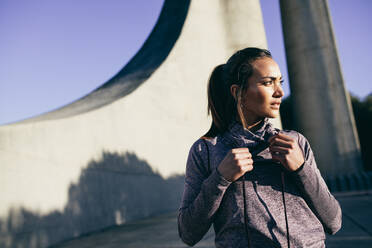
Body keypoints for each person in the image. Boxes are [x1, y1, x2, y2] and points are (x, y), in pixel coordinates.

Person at [177, 47, 342, 248]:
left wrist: (301, 169)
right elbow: (188, 232)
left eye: (280, 82)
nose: (280, 92)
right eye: (267, 83)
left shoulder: (296, 142)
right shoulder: (205, 150)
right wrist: (220, 178)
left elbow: (334, 221)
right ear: (238, 92)